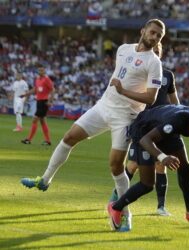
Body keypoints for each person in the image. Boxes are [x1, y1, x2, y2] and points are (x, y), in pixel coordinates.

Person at [20, 19, 166, 232]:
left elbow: (151, 98)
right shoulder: (123, 49)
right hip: (103, 106)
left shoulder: (154, 63)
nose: (154, 37)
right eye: (152, 32)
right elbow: (119, 75)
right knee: (69, 137)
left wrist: (123, 91)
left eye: (158, 36)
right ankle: (44, 180)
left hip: (125, 116)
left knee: (116, 166)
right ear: (143, 31)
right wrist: (115, 91)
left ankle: (125, 213)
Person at [107, 104, 189, 232]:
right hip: (143, 130)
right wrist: (163, 157)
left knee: (185, 167)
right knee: (147, 184)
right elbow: (146, 140)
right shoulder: (177, 120)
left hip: (167, 132)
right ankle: (116, 207)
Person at [109, 43, 179, 217]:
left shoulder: (169, 76)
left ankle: (161, 207)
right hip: (143, 125)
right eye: (152, 51)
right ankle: (114, 199)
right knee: (132, 165)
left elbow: (175, 101)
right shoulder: (141, 72)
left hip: (160, 127)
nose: (153, 54)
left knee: (160, 166)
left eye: (157, 51)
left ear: (160, 55)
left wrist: (178, 116)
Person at [20, 65, 55, 145]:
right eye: (39, 70)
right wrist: (25, 94)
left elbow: (53, 89)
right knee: (42, 121)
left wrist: (50, 101)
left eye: (42, 70)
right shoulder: (37, 80)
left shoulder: (47, 79)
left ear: (44, 71)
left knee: (35, 118)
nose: (40, 72)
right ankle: (48, 140)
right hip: (39, 101)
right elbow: (35, 89)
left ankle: (29, 139)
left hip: (44, 102)